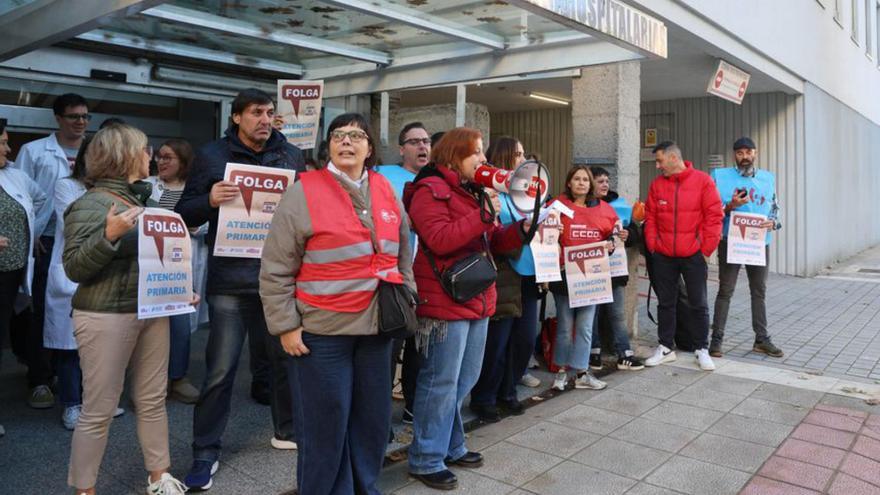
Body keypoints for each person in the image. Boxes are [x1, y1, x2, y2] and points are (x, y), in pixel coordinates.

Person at [260, 112, 415, 495]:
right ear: (327, 145)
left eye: (356, 135)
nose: (347, 141)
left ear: (369, 147)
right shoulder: (303, 190)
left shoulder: (384, 188)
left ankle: (365, 487)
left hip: (377, 330)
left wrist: (406, 295)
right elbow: (276, 266)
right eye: (338, 135)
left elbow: (404, 251)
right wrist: (285, 325)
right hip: (321, 333)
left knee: (371, 422)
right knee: (324, 425)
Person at [176, 88, 305, 490]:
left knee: (287, 363)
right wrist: (209, 200)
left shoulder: (291, 155)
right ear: (236, 117)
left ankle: (288, 431)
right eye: (255, 113)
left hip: (279, 279)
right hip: (230, 280)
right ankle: (205, 452)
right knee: (220, 370)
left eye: (269, 112)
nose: (264, 119)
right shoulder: (212, 156)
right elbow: (184, 211)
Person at [63, 123, 191, 495]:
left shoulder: (146, 203)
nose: (150, 155)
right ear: (123, 156)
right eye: (144, 149)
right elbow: (74, 268)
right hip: (105, 315)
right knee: (98, 410)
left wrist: (182, 290)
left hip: (151, 311)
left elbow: (158, 262)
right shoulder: (89, 204)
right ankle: (84, 489)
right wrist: (108, 237)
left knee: (152, 400)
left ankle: (159, 477)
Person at [403, 127, 528, 491]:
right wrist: (487, 211)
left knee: (464, 379)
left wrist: (522, 228)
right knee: (440, 381)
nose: (484, 161)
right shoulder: (429, 190)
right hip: (444, 298)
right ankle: (425, 457)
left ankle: (451, 445)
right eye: (476, 154)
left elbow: (489, 241)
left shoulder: (470, 192)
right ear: (454, 155)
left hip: (475, 297)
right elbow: (440, 240)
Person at [45, 135, 128, 431]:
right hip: (73, 273)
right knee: (70, 348)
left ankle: (96, 402)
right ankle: (71, 404)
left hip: (105, 274)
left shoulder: (122, 191)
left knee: (99, 348)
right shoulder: (67, 185)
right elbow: (77, 224)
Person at [13, 93, 89, 409]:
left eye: (85, 117)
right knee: (43, 313)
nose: (81, 123)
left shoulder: (92, 151)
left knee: (76, 313)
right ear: (58, 118)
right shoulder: (34, 152)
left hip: (80, 242)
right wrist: (31, 236)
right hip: (44, 241)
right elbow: (19, 195)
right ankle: (40, 379)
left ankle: (64, 373)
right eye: (74, 117)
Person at [470, 136, 539, 422]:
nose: (523, 161)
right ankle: (485, 397)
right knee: (498, 343)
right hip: (504, 276)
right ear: (503, 157)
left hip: (529, 275)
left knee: (523, 340)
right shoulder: (488, 193)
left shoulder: (528, 195)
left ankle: (508, 391)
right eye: (518, 155)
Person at [643, 141, 723, 371]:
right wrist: (653, 245)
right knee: (666, 303)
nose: (658, 166)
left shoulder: (703, 181)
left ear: (673, 158)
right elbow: (651, 216)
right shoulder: (657, 185)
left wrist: (704, 249)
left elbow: (714, 216)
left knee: (698, 303)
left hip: (693, 255)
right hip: (664, 255)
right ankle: (666, 347)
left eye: (659, 160)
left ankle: (702, 349)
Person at [375, 121, 431, 425]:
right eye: (414, 142)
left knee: (420, 347)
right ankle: (379, 416)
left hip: (427, 276)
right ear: (401, 149)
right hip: (393, 277)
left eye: (426, 141)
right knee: (389, 346)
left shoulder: (435, 181)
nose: (422, 146)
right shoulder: (383, 176)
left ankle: (412, 405)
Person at [709, 137, 783, 358]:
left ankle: (761, 339)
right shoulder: (720, 177)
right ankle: (716, 341)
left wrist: (774, 223)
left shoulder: (767, 178)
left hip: (758, 242)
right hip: (730, 241)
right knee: (725, 291)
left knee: (758, 291)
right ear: (734, 155)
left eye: (748, 152)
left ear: (756, 153)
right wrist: (731, 206)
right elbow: (711, 211)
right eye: (740, 153)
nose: (744, 157)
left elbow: (774, 208)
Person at [0, 118, 49, 436]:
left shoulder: (14, 176)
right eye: (2, 142)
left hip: (13, 272)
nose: (8, 148)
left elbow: (40, 200)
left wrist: (32, 232)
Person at [547, 165, 614, 392]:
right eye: (577, 178)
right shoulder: (556, 206)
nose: (582, 183)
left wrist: (613, 242)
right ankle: (561, 371)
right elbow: (545, 235)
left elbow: (612, 235)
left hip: (591, 278)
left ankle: (582, 372)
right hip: (564, 277)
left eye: (586, 179)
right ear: (569, 182)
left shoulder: (605, 209)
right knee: (565, 327)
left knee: (585, 327)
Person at [146, 139, 202, 403]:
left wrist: (198, 227)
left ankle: (178, 378)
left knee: (180, 325)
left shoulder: (196, 190)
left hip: (182, 267)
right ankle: (148, 386)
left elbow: (213, 222)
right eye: (159, 157)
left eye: (168, 157)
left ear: (183, 161)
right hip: (151, 265)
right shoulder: (146, 186)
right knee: (150, 327)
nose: (161, 161)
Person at [588, 167, 645, 371]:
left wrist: (628, 234)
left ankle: (624, 352)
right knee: (591, 312)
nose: (605, 185)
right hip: (591, 270)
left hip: (615, 269)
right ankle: (593, 351)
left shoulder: (618, 205)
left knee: (617, 313)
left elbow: (634, 232)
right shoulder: (581, 206)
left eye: (607, 181)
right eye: (600, 181)